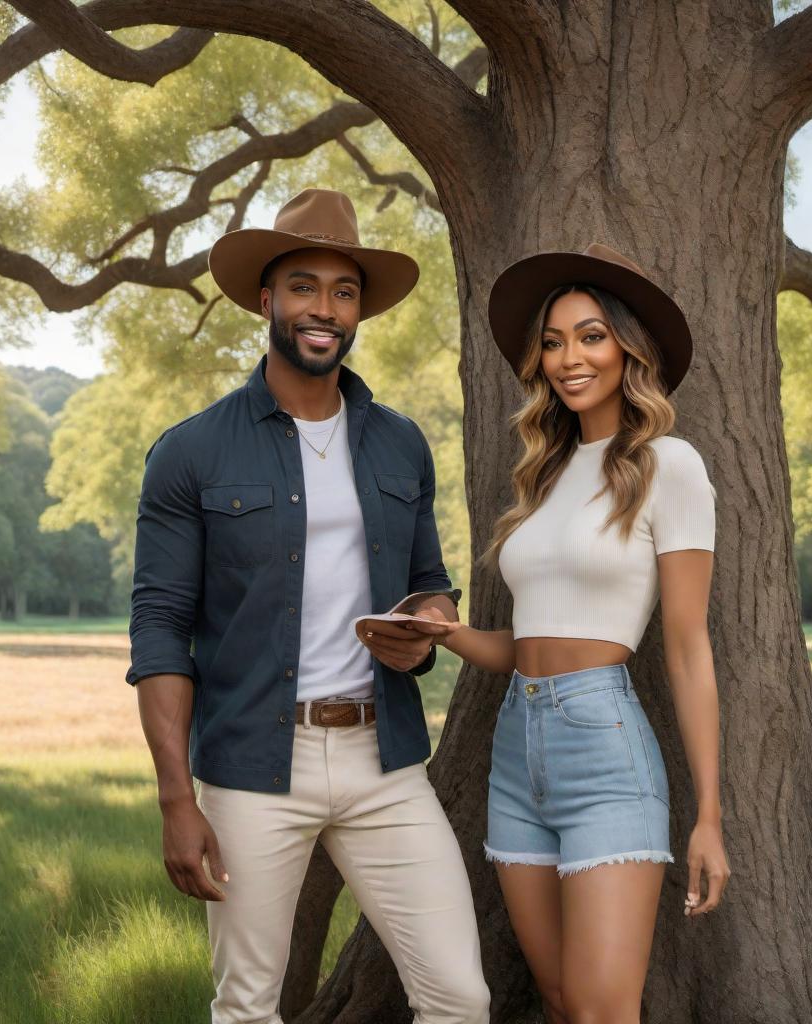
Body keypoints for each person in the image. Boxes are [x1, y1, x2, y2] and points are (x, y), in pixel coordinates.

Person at [126, 188, 489, 1024]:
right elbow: (160, 631)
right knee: (248, 1005)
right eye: (304, 286)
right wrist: (177, 800)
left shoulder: (399, 442)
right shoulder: (190, 453)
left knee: (460, 997)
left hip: (384, 762)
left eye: (344, 291)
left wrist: (426, 633)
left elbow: (432, 581)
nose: (324, 309)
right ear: (266, 299)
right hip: (253, 764)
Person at [405, 245, 731, 1023]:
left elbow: (687, 649)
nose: (568, 358)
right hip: (517, 749)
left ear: (628, 347)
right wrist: (446, 634)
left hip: (605, 749)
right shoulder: (543, 476)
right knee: (558, 999)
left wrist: (710, 817)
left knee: (599, 1011)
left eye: (590, 336)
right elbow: (527, 646)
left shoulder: (668, 466)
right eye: (552, 342)